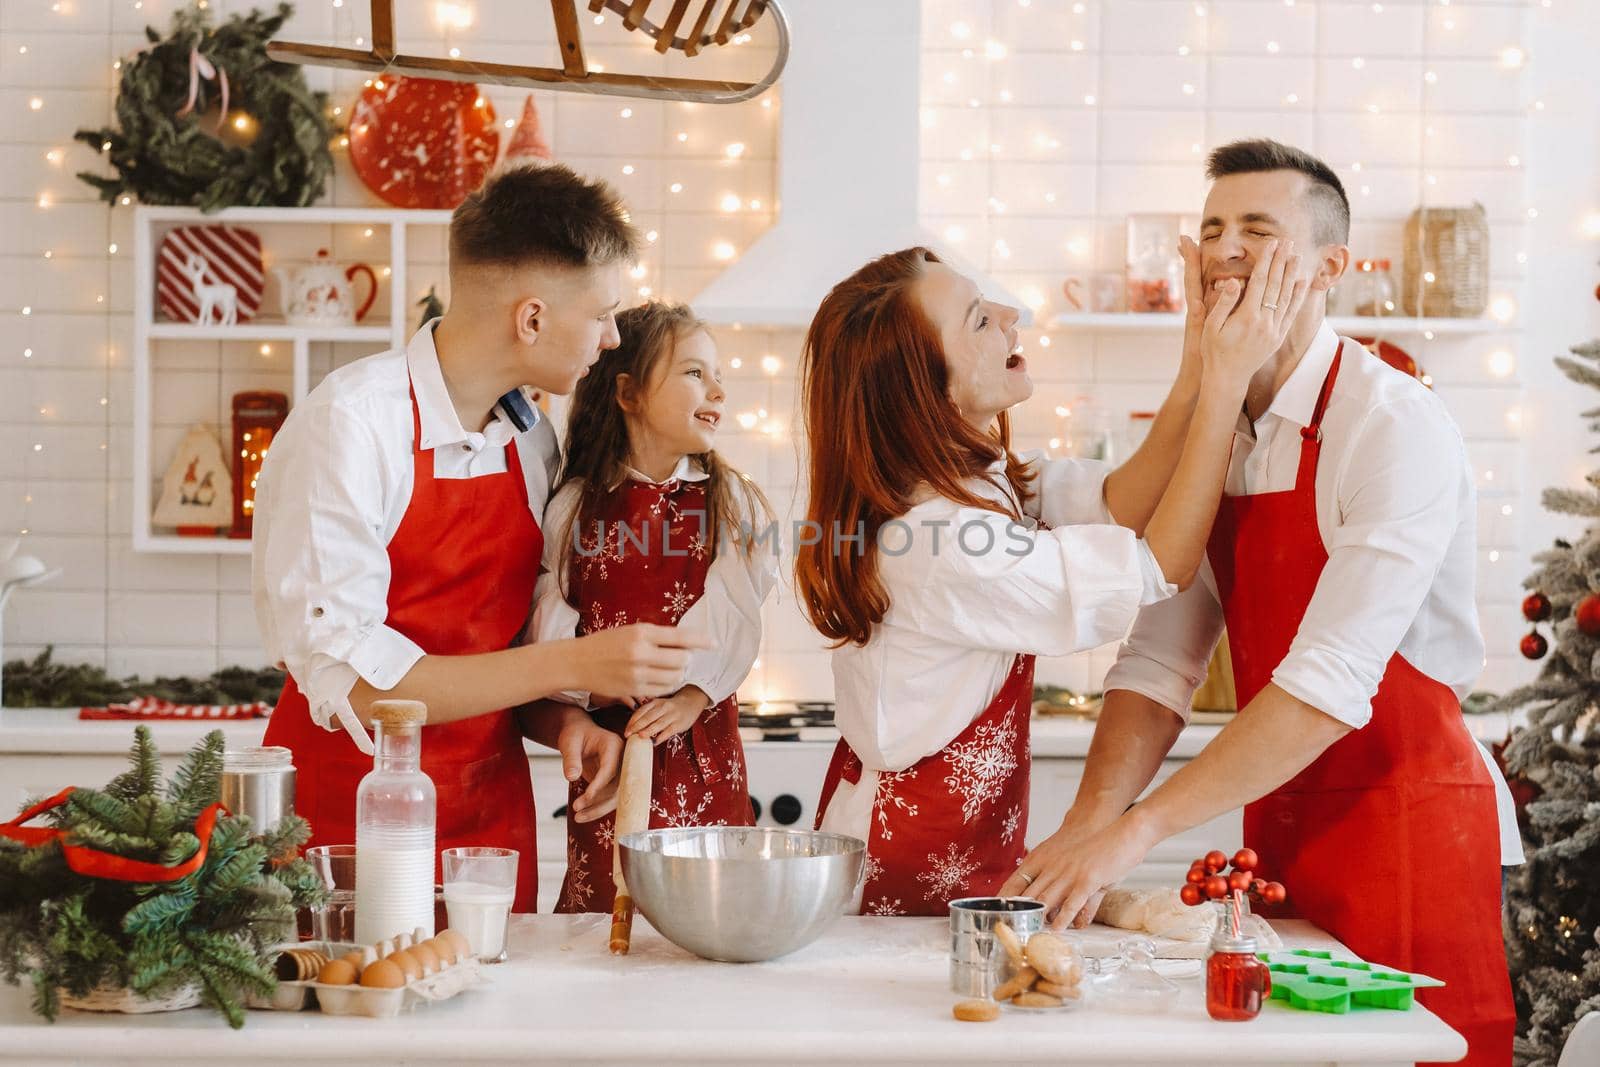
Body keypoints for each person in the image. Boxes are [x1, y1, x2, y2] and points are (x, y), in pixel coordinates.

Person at [1002, 139, 1514, 1066]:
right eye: (1210, 232)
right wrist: (1083, 831)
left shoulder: (1390, 424)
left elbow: (1327, 684)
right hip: (1276, 819)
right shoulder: (1219, 427)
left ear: (1331, 268)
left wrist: (1137, 830)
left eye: (1257, 231)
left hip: (1406, 825)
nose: (1225, 252)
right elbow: (1160, 661)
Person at [795, 242, 1308, 914]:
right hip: (903, 866)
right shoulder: (941, 539)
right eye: (979, 320)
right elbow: (1161, 564)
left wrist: (1197, 368)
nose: (1012, 315)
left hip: (951, 846)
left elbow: (1119, 503)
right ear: (924, 388)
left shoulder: (971, 481)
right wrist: (1225, 386)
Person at [254, 164, 710, 911]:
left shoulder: (531, 441)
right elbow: (361, 687)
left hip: (486, 837)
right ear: (531, 319)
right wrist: (575, 662)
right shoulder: (352, 426)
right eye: (602, 312)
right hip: (342, 834)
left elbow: (506, 655)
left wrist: (563, 720)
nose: (612, 336)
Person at [528, 301, 777, 913]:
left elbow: (735, 621)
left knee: (707, 912)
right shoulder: (575, 509)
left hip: (702, 751)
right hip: (612, 756)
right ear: (629, 393)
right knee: (607, 913)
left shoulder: (732, 504)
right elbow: (549, 631)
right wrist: (588, 692)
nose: (717, 388)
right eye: (695, 373)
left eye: (718, 375)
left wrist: (694, 695)